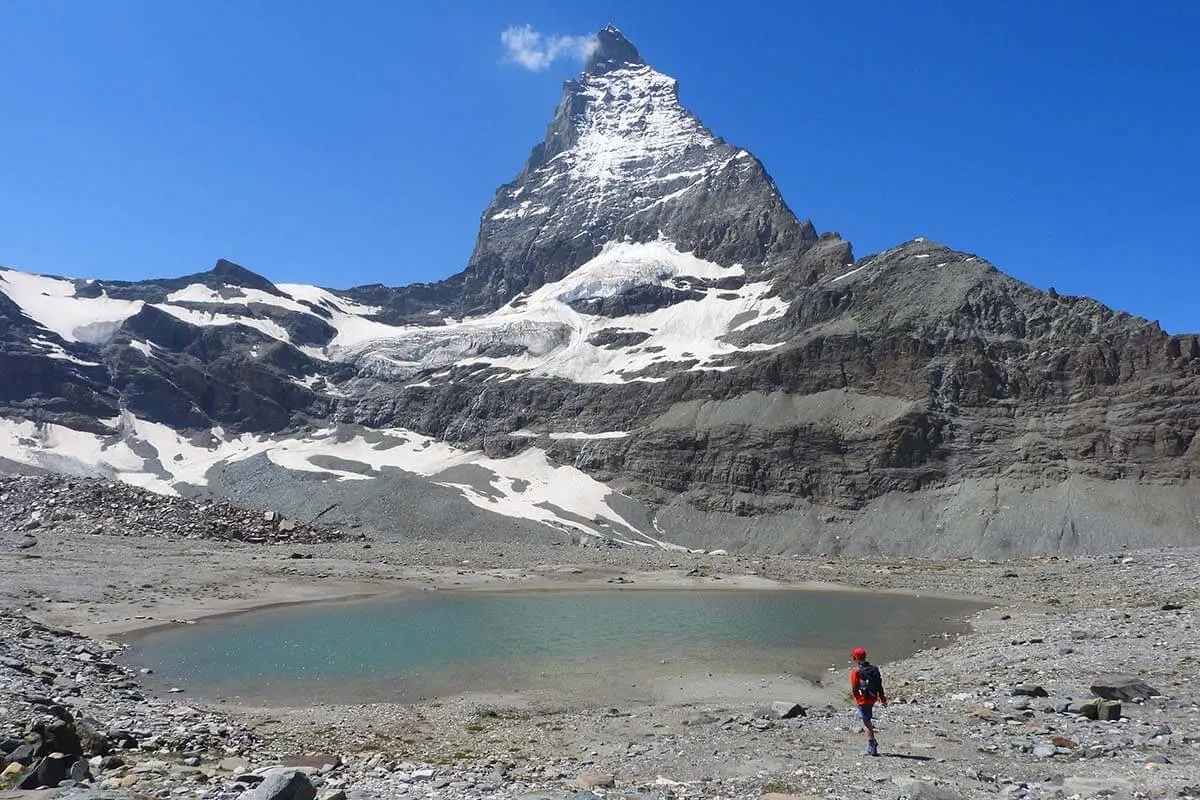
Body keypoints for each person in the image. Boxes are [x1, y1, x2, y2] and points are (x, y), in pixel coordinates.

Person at [850, 646, 887, 756]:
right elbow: (879, 685)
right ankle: (872, 743)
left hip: (862, 699)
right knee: (868, 718)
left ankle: (872, 746)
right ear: (865, 657)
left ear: (854, 658)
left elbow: (854, 687)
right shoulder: (874, 669)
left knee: (866, 721)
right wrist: (882, 698)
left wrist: (856, 698)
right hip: (873, 697)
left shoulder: (855, 671)